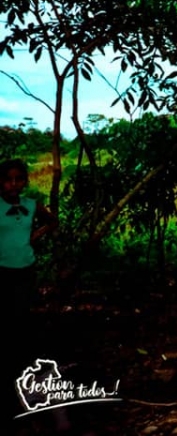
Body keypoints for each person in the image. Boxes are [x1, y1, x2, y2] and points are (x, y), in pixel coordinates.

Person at [0, 158, 57, 426]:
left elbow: (51, 221)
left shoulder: (32, 205)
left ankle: (21, 375)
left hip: (25, 270)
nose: (13, 184)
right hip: (2, 271)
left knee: (19, 321)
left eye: (18, 179)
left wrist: (32, 238)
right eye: (8, 179)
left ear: (25, 181)